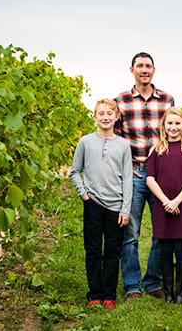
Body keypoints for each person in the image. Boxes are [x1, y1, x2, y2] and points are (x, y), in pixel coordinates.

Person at [114, 52, 174, 299]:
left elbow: (173, 131)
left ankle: (152, 282)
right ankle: (131, 286)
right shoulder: (121, 101)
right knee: (130, 232)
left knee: (162, 230)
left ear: (154, 70)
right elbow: (116, 138)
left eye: (148, 66)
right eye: (140, 66)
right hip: (135, 173)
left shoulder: (167, 100)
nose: (144, 69)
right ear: (132, 70)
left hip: (161, 174)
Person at [70, 99, 132, 310]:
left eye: (109, 113)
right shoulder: (86, 142)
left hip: (116, 206)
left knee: (113, 252)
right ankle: (94, 294)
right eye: (101, 113)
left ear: (116, 117)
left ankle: (109, 296)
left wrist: (125, 208)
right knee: (94, 249)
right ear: (95, 117)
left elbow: (127, 178)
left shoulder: (124, 144)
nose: (105, 117)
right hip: (93, 203)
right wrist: (84, 194)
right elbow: (75, 171)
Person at [146, 107, 182, 304]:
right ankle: (168, 292)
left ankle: (180, 292)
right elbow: (150, 179)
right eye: (170, 123)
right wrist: (166, 202)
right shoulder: (156, 150)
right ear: (164, 126)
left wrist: (176, 201)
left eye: (178, 123)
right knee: (165, 250)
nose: (174, 127)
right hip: (162, 205)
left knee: (181, 250)